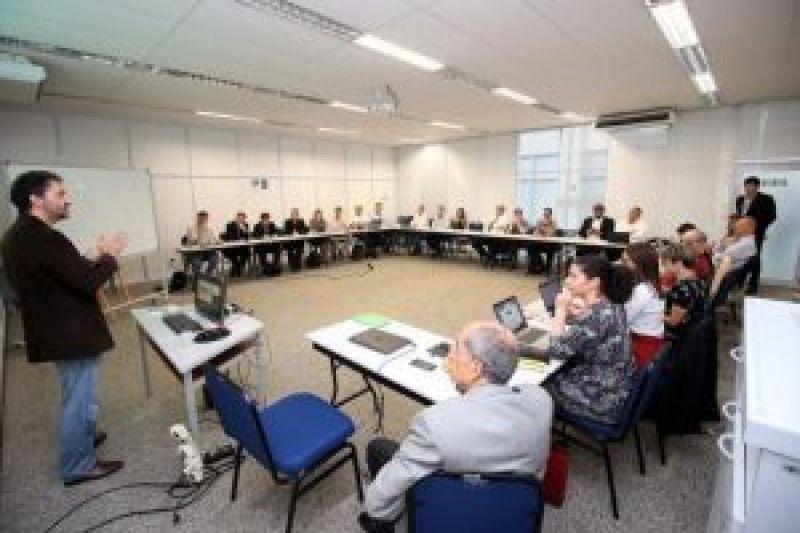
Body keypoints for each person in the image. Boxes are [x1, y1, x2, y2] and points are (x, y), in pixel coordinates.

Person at [359, 322, 553, 528]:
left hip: (448, 514)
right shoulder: (541, 401)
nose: (446, 364)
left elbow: (377, 505)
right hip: (512, 515)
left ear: (475, 368)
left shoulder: (434, 423)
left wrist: (379, 511)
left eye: (453, 352)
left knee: (378, 447)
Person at [2, 170, 127, 485]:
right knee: (80, 399)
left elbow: (59, 274)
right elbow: (87, 282)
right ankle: (77, 465)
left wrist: (91, 257)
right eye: (59, 194)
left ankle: (83, 439)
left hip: (56, 330)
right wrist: (109, 256)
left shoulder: (19, 234)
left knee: (77, 392)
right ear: (36, 199)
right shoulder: (44, 237)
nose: (66, 199)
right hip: (70, 333)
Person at [533, 254, 636, 424]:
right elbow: (594, 328)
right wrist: (581, 312)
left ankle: (538, 435)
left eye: (573, 276)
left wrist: (560, 310)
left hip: (600, 399)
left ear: (594, 282)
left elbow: (555, 351)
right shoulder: (613, 304)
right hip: (615, 387)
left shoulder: (594, 317)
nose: (567, 281)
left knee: (535, 387)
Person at [621, 243, 664, 369]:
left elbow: (622, 319)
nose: (621, 264)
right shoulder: (650, 284)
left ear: (639, 264)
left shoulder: (642, 290)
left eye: (625, 261)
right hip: (648, 342)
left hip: (641, 347)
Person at [735, 176, 777, 294]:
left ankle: (753, 285)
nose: (748, 188)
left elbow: (772, 216)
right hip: (741, 233)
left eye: (751, 186)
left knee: (754, 258)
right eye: (746, 186)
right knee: (740, 257)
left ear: (757, 187)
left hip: (756, 234)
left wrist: (757, 226)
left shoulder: (766, 199)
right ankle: (739, 281)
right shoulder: (740, 199)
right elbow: (740, 215)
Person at [661, 244, 708, 336]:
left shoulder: (681, 291)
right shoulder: (697, 280)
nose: (664, 267)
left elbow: (673, 322)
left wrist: (655, 315)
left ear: (678, 263)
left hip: (682, 334)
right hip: (695, 327)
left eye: (665, 263)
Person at [184, 210, 219, 275]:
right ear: (197, 218)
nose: (203, 220)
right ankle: (197, 276)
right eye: (201, 218)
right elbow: (191, 241)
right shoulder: (191, 228)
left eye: (205, 218)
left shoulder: (210, 228)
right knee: (197, 262)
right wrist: (198, 237)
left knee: (215, 258)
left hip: (206, 251)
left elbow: (214, 239)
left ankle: (208, 273)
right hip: (194, 252)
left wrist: (216, 241)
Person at [527, 207, 557, 274]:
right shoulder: (540, 222)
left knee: (551, 249)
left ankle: (547, 267)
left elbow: (550, 234)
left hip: (549, 243)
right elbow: (535, 233)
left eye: (547, 214)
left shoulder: (553, 222)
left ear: (550, 215)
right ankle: (539, 264)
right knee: (530, 246)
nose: (545, 216)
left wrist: (543, 226)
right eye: (544, 214)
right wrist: (538, 228)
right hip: (540, 242)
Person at [221, 211, 251, 277]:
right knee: (233, 255)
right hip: (231, 247)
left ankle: (237, 268)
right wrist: (238, 239)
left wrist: (244, 230)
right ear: (236, 218)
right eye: (239, 218)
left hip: (241, 247)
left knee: (247, 253)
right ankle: (237, 268)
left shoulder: (245, 225)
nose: (241, 220)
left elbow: (248, 237)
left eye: (243, 219)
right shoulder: (230, 225)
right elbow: (230, 237)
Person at [283, 207, 308, 272]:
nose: (295, 216)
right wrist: (292, 232)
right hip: (290, 241)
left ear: (298, 215)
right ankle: (292, 265)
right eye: (293, 214)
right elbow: (285, 231)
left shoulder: (301, 221)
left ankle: (298, 265)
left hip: (298, 241)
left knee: (299, 249)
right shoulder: (287, 222)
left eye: (296, 214)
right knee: (290, 250)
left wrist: (299, 232)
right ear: (291, 215)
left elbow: (305, 229)